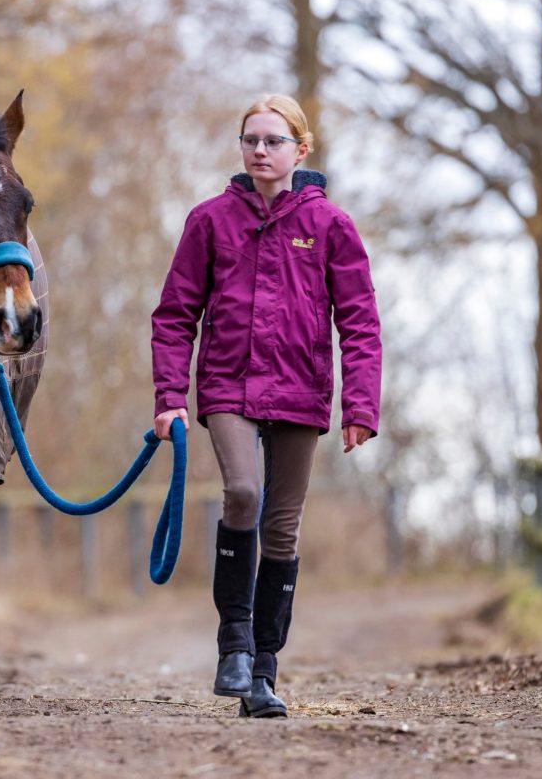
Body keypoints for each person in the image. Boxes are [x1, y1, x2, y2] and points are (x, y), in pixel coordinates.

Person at [150, 94, 382, 718]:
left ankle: (263, 671)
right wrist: (170, 397)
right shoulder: (209, 220)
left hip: (302, 389)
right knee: (243, 493)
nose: (259, 150)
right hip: (228, 385)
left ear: (300, 150)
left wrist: (360, 406)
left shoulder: (331, 225)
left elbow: (360, 323)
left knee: (282, 527)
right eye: (250, 139)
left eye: (273, 141)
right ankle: (233, 643)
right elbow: (174, 316)